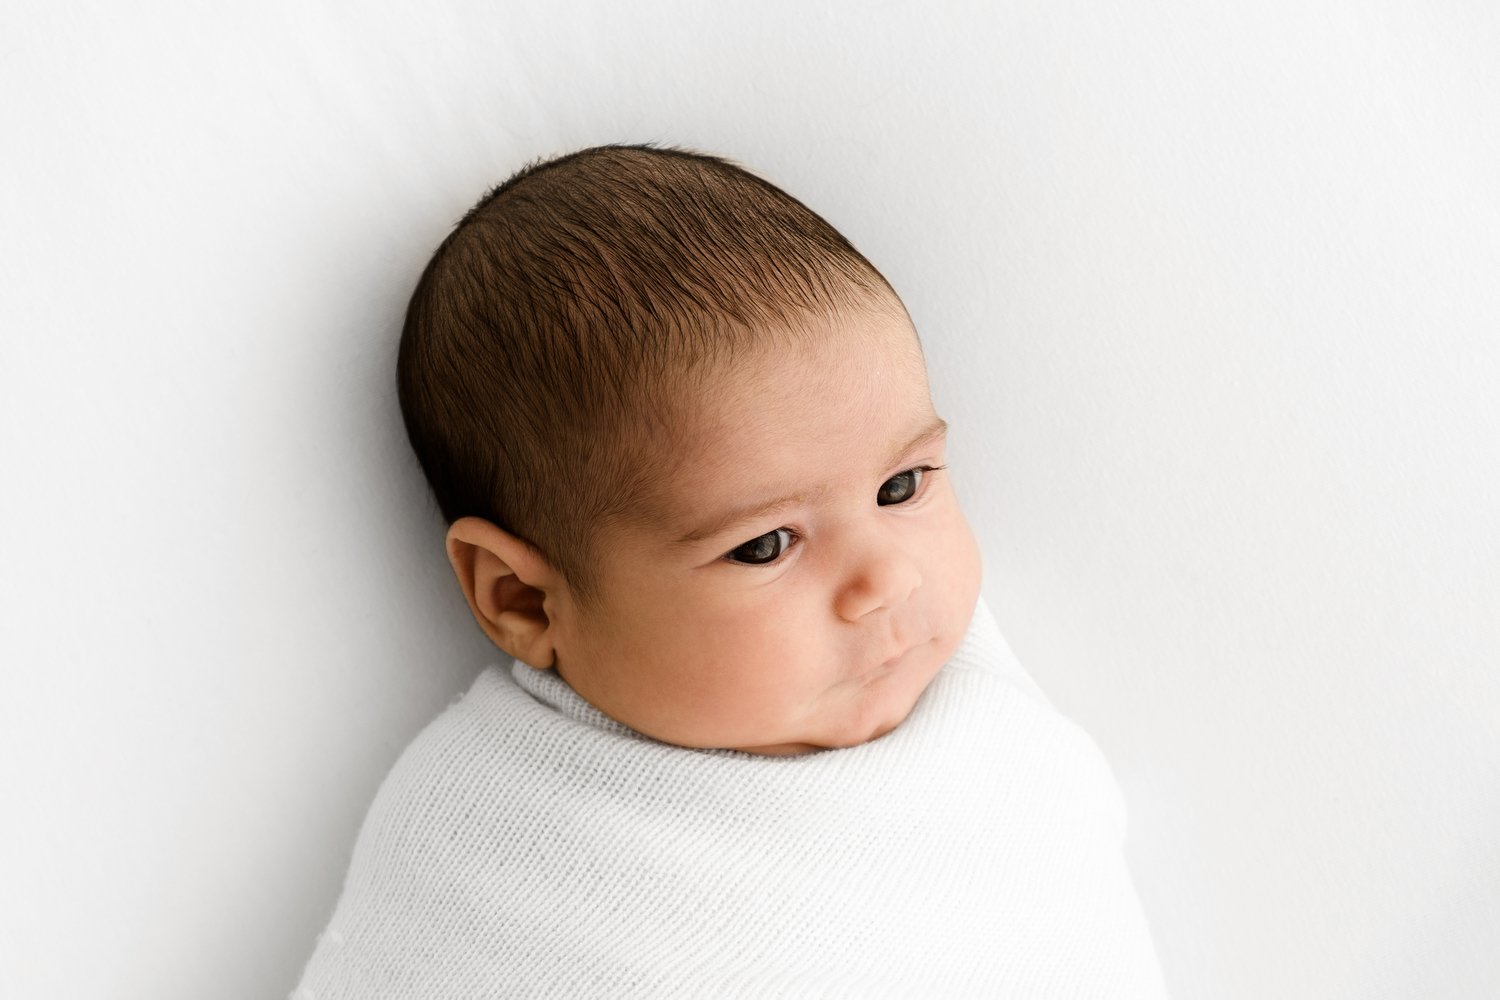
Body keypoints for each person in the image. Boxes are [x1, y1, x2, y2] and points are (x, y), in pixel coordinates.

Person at [293, 144, 1167, 998]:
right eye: (766, 546)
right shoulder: (493, 848)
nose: (886, 581)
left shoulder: (983, 725)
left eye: (902, 486)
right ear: (522, 597)